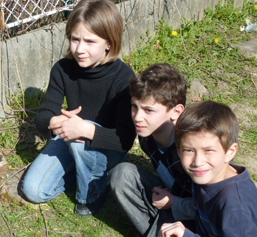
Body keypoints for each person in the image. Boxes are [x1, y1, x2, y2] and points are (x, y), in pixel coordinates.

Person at [20, 0, 136, 217]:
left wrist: (84, 129)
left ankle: (91, 193)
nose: (80, 49)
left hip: (108, 149)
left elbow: (125, 139)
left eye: (90, 41)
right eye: (75, 39)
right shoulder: (62, 70)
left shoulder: (123, 78)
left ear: (109, 43)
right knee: (33, 190)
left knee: (81, 134)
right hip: (71, 138)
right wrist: (56, 123)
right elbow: (44, 116)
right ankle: (80, 170)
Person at [110, 63, 195, 236]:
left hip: (198, 217)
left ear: (176, 111)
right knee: (122, 174)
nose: (137, 117)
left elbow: (215, 204)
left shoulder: (191, 150)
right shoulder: (146, 134)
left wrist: (175, 203)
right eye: (135, 106)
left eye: (148, 110)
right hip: (170, 196)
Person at [159, 100, 257, 237]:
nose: (198, 162)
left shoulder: (234, 206)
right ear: (179, 151)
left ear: (229, 152)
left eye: (208, 150)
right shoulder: (208, 174)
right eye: (189, 150)